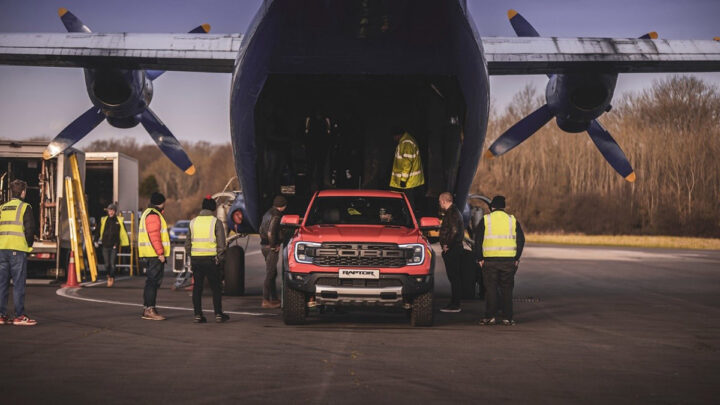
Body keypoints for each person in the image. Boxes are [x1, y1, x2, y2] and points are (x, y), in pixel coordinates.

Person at [475, 195, 525, 326]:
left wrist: (480, 258)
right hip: (508, 261)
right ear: (504, 207)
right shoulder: (512, 220)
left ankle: (490, 317)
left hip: (489, 261)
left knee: (491, 289)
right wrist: (516, 257)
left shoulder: (486, 220)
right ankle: (507, 318)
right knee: (507, 289)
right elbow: (521, 240)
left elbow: (478, 240)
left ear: (492, 207)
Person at [185, 195, 229, 323]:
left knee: (197, 287)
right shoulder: (216, 222)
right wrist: (219, 258)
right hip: (211, 260)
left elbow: (187, 244)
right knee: (216, 287)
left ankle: (198, 315)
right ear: (213, 208)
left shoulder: (193, 222)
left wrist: (192, 256)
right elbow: (222, 244)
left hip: (196, 260)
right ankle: (218, 314)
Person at [0, 179, 37, 326]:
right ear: (23, 192)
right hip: (17, 250)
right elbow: (30, 230)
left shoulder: (2, 207)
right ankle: (19, 316)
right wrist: (28, 246)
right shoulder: (25, 207)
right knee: (18, 284)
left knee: (2, 284)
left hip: (1, 249)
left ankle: (1, 315)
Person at [138, 192, 170, 321]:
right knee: (153, 282)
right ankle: (150, 309)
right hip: (154, 254)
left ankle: (147, 308)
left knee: (150, 282)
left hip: (150, 253)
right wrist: (160, 253)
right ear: (160, 203)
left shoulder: (148, 213)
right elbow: (155, 236)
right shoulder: (153, 215)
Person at [259, 195, 288, 308]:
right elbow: (271, 232)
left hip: (263, 245)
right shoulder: (277, 215)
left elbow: (261, 229)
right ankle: (265, 300)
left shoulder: (267, 213)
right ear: (283, 206)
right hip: (270, 246)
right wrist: (273, 246)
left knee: (272, 272)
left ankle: (274, 298)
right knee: (270, 273)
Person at [438, 192, 464, 313]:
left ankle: (455, 304)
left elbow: (454, 231)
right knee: (454, 277)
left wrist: (447, 245)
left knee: (454, 277)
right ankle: (454, 302)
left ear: (443, 201)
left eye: (439, 201)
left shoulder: (452, 213)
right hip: (455, 248)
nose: (439, 204)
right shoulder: (454, 212)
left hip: (453, 249)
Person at [389, 127, 424, 209]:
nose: (394, 139)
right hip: (409, 180)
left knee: (408, 202)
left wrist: (403, 180)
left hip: (408, 181)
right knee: (407, 201)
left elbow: (407, 163)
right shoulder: (405, 141)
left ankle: (409, 220)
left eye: (394, 137)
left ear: (398, 135)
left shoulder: (406, 143)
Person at [98, 203, 129, 287]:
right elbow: (98, 231)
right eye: (109, 210)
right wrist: (95, 240)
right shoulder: (104, 220)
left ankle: (111, 278)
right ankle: (109, 275)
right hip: (105, 245)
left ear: (115, 212)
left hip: (114, 246)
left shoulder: (118, 221)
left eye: (112, 210)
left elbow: (122, 233)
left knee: (112, 264)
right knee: (106, 264)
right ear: (107, 211)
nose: (111, 212)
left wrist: (118, 244)